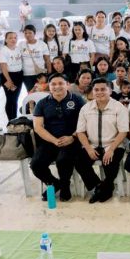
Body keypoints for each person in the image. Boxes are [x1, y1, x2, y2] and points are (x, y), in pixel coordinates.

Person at [74, 78, 130, 203]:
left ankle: (104, 188)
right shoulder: (86, 108)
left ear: (110, 90)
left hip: (113, 144)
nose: (99, 92)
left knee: (110, 164)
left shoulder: (118, 107)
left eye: (103, 89)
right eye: (96, 90)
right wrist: (88, 148)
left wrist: (111, 149)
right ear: (92, 91)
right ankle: (100, 186)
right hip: (92, 145)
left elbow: (123, 132)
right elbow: (80, 132)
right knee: (79, 161)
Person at [31, 73, 85, 202]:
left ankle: (65, 186)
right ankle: (55, 183)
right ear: (49, 86)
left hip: (72, 139)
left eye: (60, 83)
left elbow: (85, 122)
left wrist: (72, 137)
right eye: (53, 84)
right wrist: (54, 140)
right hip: (50, 140)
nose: (57, 87)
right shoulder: (42, 103)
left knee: (63, 160)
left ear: (67, 85)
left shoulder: (77, 100)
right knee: (36, 164)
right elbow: (38, 127)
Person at [0, 31, 23, 121]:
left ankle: (15, 119)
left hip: (19, 75)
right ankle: (11, 121)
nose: (13, 39)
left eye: (15, 38)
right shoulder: (3, 50)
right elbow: (3, 66)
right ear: (6, 39)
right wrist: (8, 80)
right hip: (8, 76)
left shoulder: (17, 49)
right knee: (10, 99)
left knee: (15, 99)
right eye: (10, 38)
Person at [19, 24, 51, 92]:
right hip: (27, 75)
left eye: (30, 32)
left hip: (40, 74)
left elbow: (47, 60)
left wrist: (49, 74)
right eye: (25, 33)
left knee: (41, 92)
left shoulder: (42, 44)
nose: (27, 35)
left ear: (34, 33)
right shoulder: (21, 44)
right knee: (30, 92)